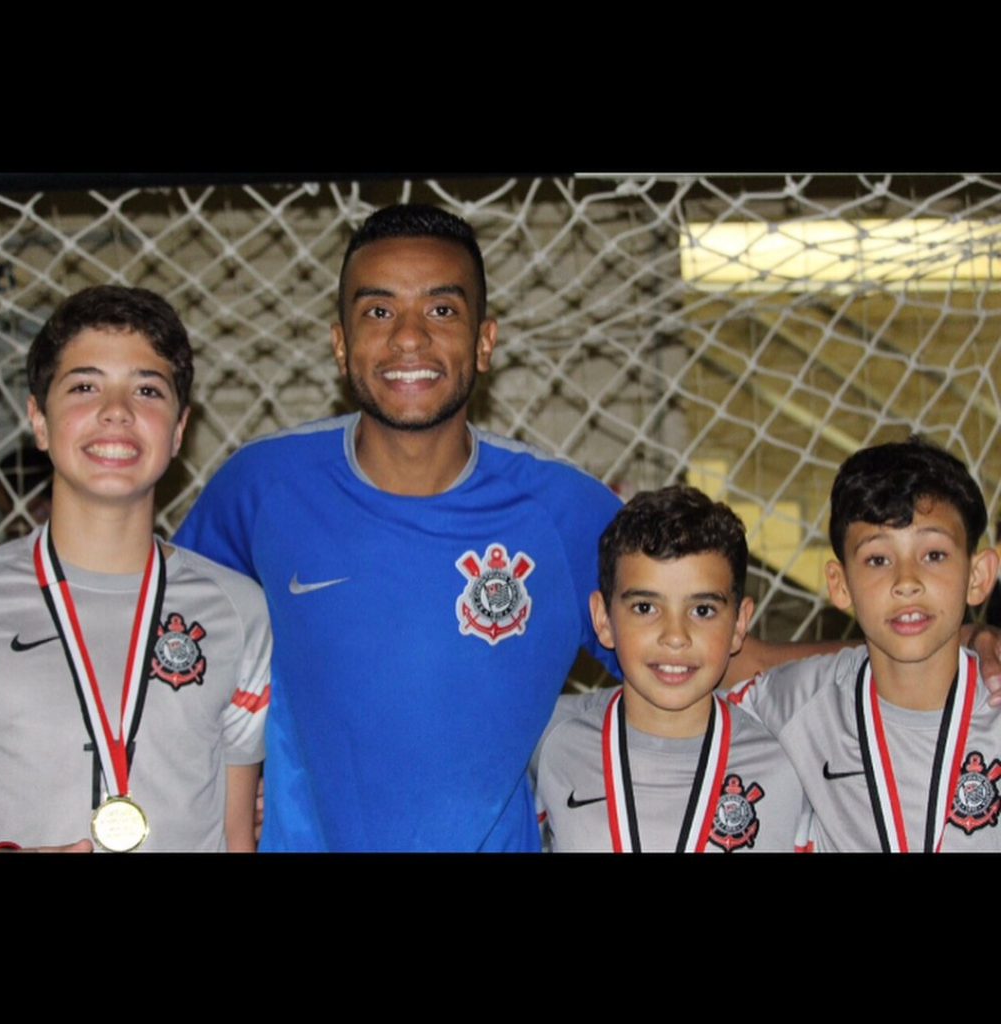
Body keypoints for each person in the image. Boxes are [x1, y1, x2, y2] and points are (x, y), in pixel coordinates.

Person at [175, 204, 1001, 853]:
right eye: (379, 309)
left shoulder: (564, 512)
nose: (410, 338)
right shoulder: (260, 488)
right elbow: (167, 662)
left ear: (486, 341)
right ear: (339, 342)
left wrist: (933, 644)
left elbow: (707, 649)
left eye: (443, 309)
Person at [0, 285, 271, 853]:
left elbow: (238, 837)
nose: (117, 410)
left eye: (147, 389)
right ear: (39, 420)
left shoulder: (239, 611)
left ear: (179, 430)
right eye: (85, 386)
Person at [736, 438, 1001, 851]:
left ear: (979, 576)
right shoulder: (789, 706)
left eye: (934, 554)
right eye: (878, 560)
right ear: (840, 586)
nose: (906, 581)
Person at [533, 487, 809, 852]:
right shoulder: (547, 739)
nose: (675, 636)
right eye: (645, 608)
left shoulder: (789, 759)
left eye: (703, 610)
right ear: (603, 619)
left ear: (740, 624)